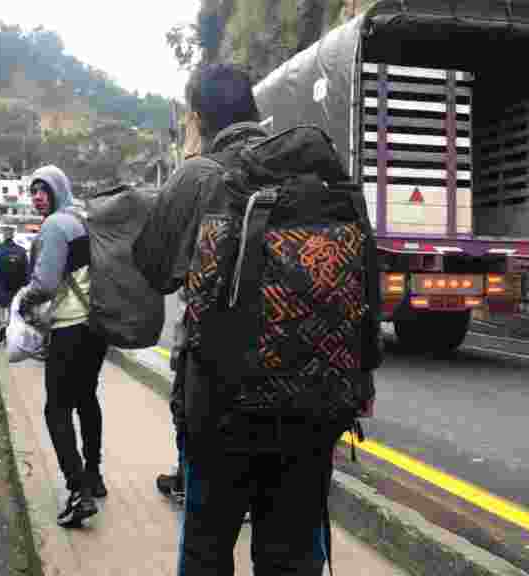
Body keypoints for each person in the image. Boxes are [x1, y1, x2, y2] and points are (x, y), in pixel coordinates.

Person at [133, 63, 360, 574]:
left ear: (196, 118)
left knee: (207, 547)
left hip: (219, 406)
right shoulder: (311, 168)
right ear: (256, 112)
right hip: (313, 402)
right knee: (293, 553)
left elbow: (152, 268)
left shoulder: (197, 175)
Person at [18, 165, 109, 528]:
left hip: (70, 328)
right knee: (87, 398)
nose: (38, 196)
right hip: (96, 327)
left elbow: (44, 283)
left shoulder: (56, 225)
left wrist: (20, 303)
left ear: (58, 189)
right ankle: (94, 476)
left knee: (56, 409)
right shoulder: (85, 218)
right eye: (33, 191)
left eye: (43, 189)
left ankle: (78, 491)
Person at [0, 227, 29, 343]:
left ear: (4, 236)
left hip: (1, 286)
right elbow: (27, 271)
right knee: (13, 311)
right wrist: (24, 288)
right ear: (13, 236)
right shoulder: (21, 251)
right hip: (17, 288)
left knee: (0, 308)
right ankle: (9, 330)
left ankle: (1, 326)